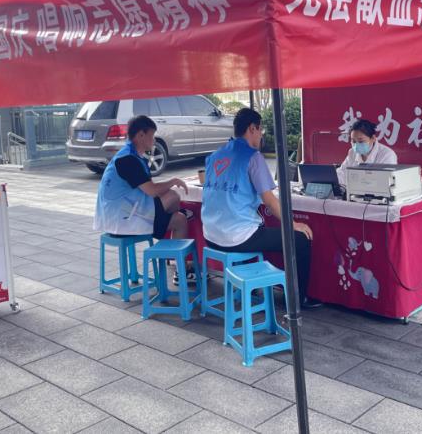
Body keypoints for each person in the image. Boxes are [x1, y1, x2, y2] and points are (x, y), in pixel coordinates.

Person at [201, 108, 321, 308]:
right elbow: (269, 201)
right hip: (236, 237)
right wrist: (293, 225)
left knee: (260, 228)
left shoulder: (215, 155)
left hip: (210, 235)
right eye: (260, 130)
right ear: (252, 128)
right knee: (299, 239)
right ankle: (298, 299)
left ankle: (254, 283)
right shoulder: (253, 157)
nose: (261, 135)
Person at [94, 115, 194, 283]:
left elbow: (148, 188)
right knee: (173, 196)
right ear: (141, 135)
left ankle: (179, 266)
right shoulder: (127, 160)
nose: (154, 140)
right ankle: (178, 265)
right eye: (152, 135)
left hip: (123, 212)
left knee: (179, 219)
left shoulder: (130, 155)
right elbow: (152, 190)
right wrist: (173, 181)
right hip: (122, 218)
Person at [336, 119, 397, 186]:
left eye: (361, 141)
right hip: (355, 191)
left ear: (373, 138)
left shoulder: (387, 155)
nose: (356, 145)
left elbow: (385, 182)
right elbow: (341, 174)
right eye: (353, 141)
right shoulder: (352, 153)